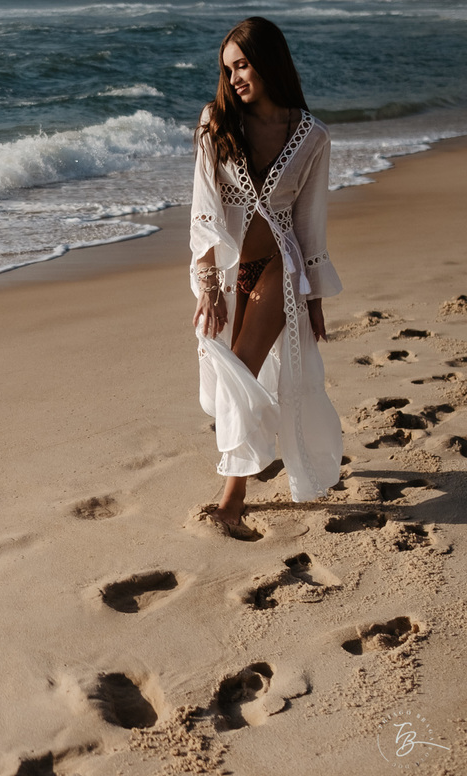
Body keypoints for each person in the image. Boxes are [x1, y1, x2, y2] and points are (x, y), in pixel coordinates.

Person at [189, 17, 343, 531]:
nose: (233, 78)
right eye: (227, 69)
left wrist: (315, 297)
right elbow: (204, 210)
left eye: (243, 65)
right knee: (223, 380)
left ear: (268, 61)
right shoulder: (217, 122)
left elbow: (309, 223)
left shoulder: (311, 135)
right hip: (230, 273)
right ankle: (257, 442)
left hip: (281, 263)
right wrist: (209, 286)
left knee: (242, 369)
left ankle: (232, 498)